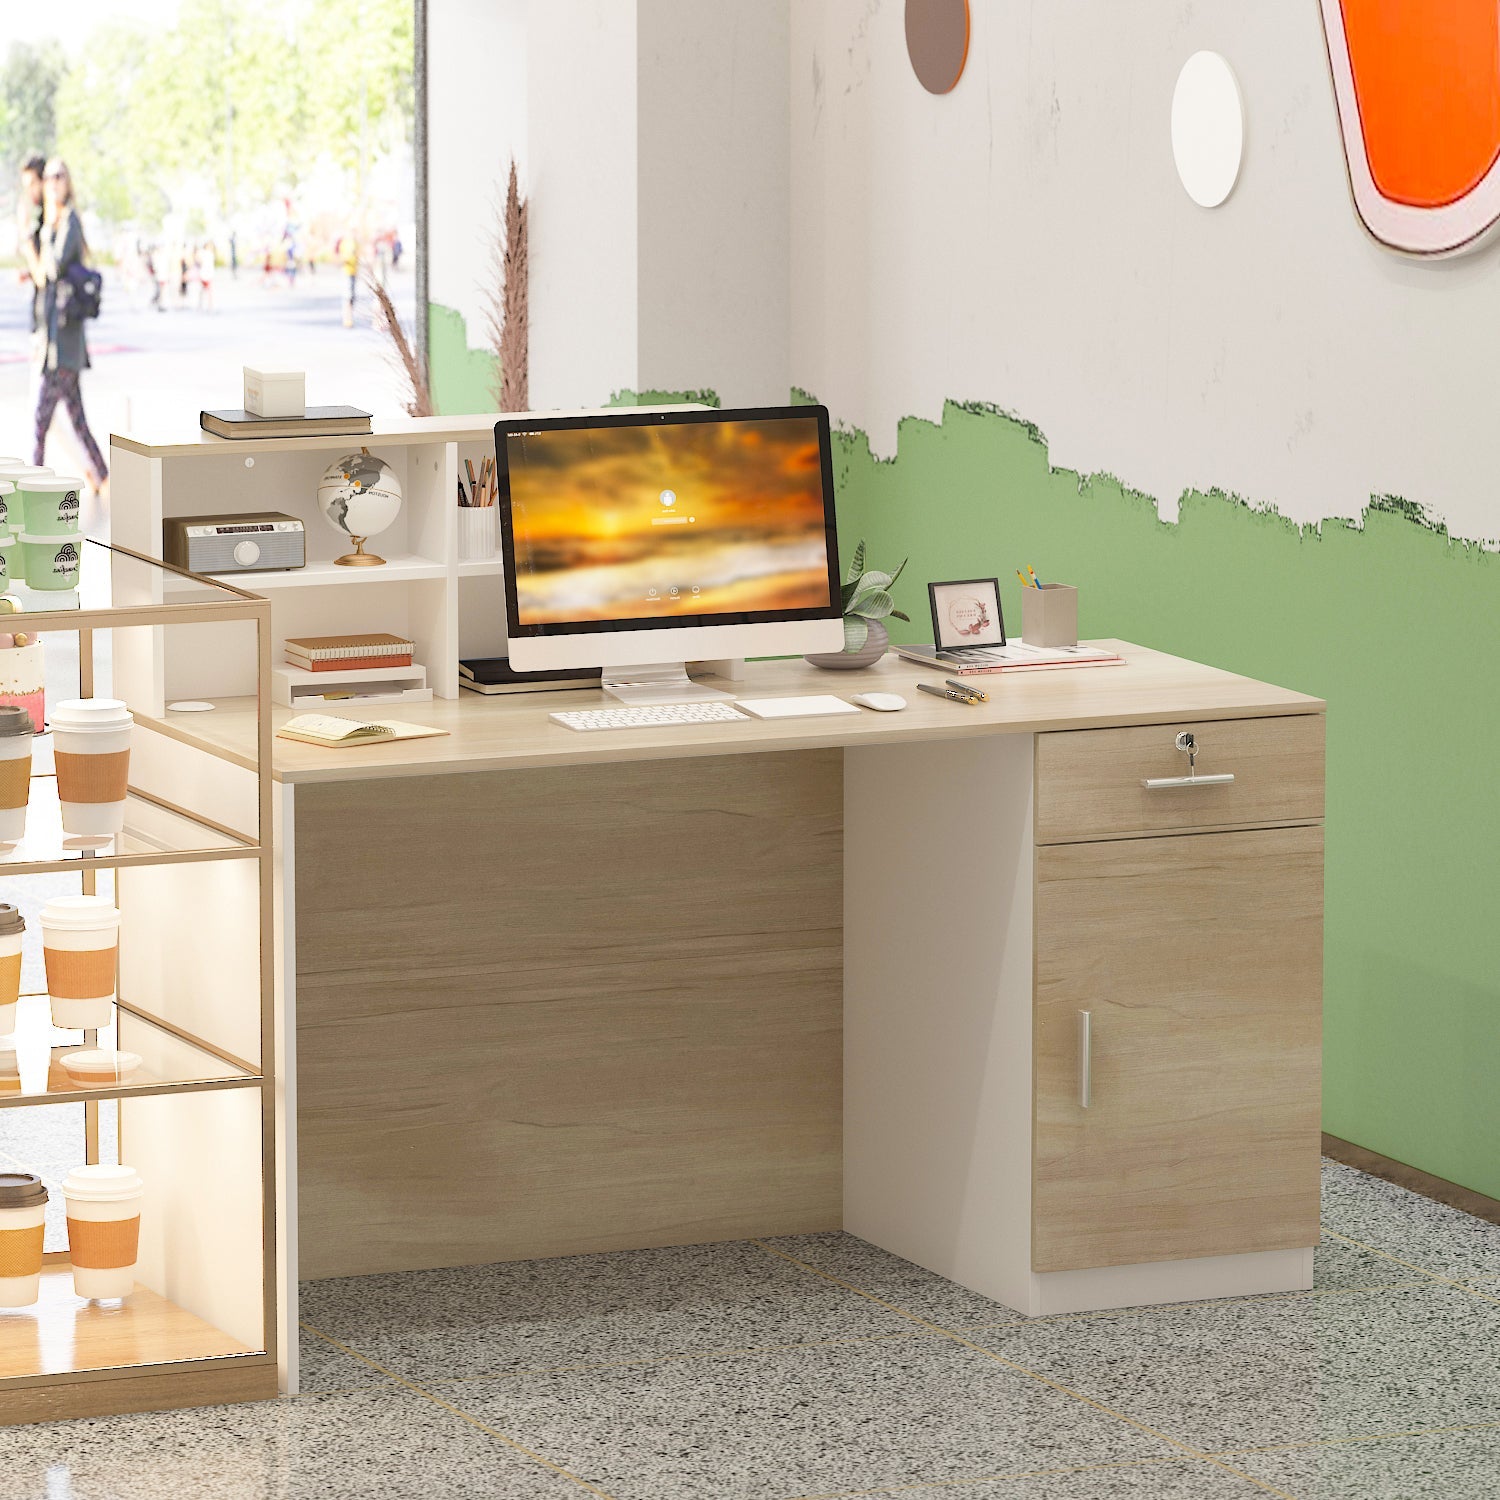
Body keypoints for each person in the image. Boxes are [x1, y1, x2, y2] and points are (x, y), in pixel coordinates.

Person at [30, 159, 108, 500]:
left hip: (64, 344)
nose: (52, 182)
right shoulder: (55, 220)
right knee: (76, 419)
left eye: (59, 176)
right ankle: (104, 476)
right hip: (56, 341)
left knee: (40, 421)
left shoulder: (68, 221)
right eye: (48, 177)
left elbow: (53, 267)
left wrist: (45, 234)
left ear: (68, 181)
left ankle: (31, 486)